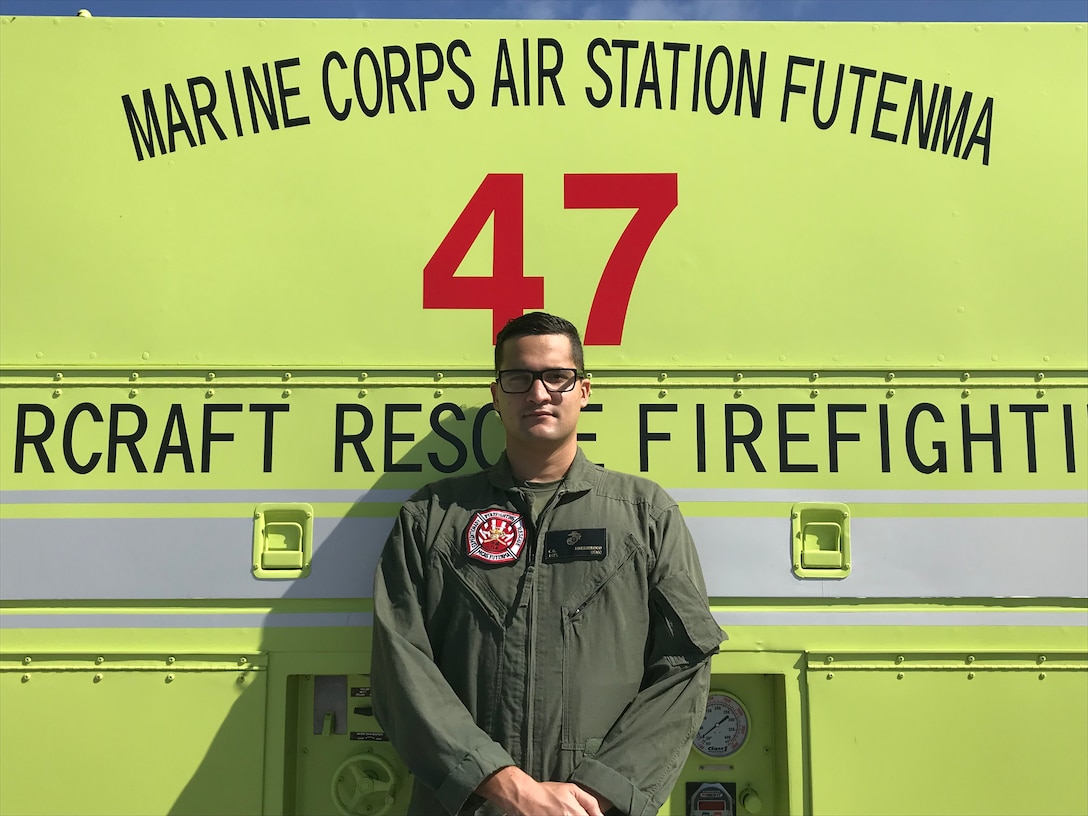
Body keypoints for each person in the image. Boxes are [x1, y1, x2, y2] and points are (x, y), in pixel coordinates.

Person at [372, 312, 723, 816]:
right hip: (471, 807)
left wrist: (597, 794)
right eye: (519, 378)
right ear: (496, 396)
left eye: (556, 376)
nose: (538, 393)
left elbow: (684, 664)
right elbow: (399, 663)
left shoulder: (644, 514)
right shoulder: (432, 516)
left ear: (583, 389)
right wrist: (505, 785)